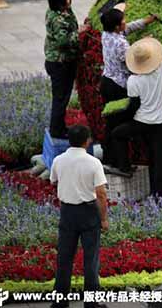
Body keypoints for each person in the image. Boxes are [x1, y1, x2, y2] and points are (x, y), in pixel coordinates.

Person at [49, 124, 108, 308]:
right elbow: (101, 194)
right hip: (88, 213)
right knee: (91, 259)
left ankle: (60, 301)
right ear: (87, 140)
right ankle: (91, 303)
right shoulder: (93, 163)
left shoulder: (59, 160)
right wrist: (104, 219)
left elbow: (53, 180)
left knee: (64, 258)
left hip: (67, 212)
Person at [45, 0, 107, 138]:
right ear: (62, 4)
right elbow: (63, 42)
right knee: (61, 98)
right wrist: (79, 31)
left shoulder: (59, 2)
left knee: (62, 96)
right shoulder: (58, 20)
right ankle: (57, 130)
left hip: (64, 61)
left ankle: (59, 128)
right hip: (60, 63)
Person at [110, 37, 162, 195]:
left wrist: (124, 117)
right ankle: (157, 194)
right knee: (159, 158)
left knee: (117, 134)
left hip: (142, 122)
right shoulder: (158, 69)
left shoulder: (133, 81)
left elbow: (134, 105)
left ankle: (124, 165)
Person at [99, 8, 157, 170]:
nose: (126, 22)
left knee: (111, 124)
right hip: (118, 88)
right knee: (120, 127)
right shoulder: (121, 44)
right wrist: (144, 44)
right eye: (123, 21)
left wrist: (147, 20)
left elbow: (129, 27)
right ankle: (122, 165)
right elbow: (134, 64)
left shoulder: (107, 34)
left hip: (107, 83)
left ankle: (109, 159)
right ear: (117, 27)